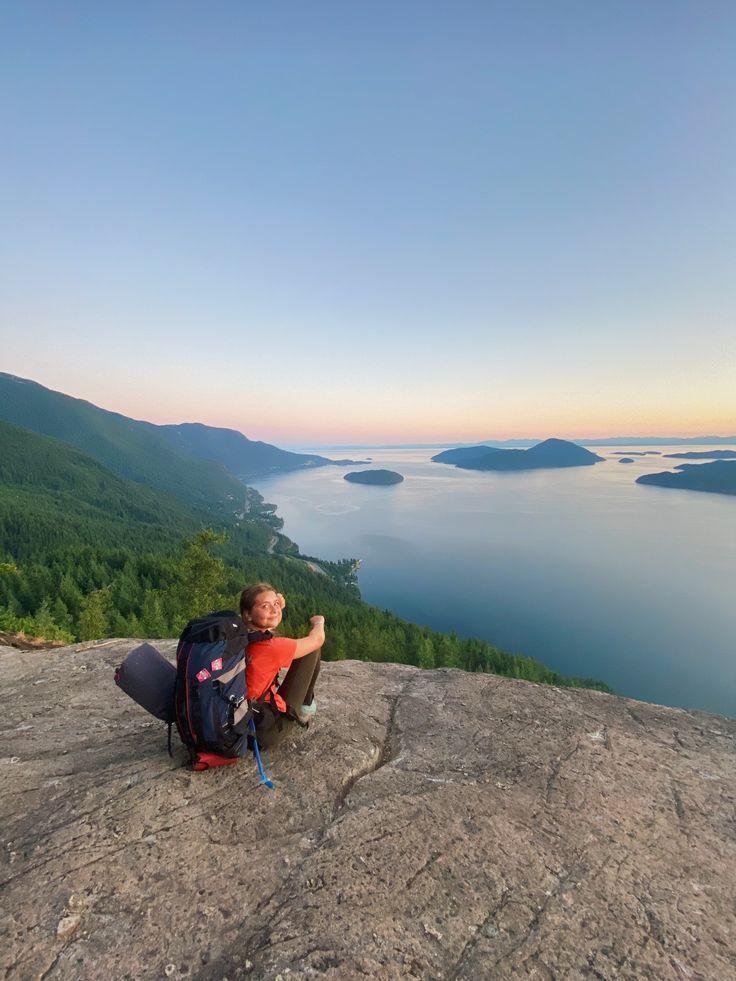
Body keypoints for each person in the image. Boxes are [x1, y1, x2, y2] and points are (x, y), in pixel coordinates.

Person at [240, 582, 325, 750]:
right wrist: (318, 623)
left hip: (239, 723)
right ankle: (305, 708)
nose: (274, 609)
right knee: (311, 650)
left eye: (276, 605)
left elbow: (267, 609)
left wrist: (272, 603)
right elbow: (317, 640)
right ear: (248, 614)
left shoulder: (237, 633)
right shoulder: (272, 647)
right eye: (266, 606)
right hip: (264, 733)